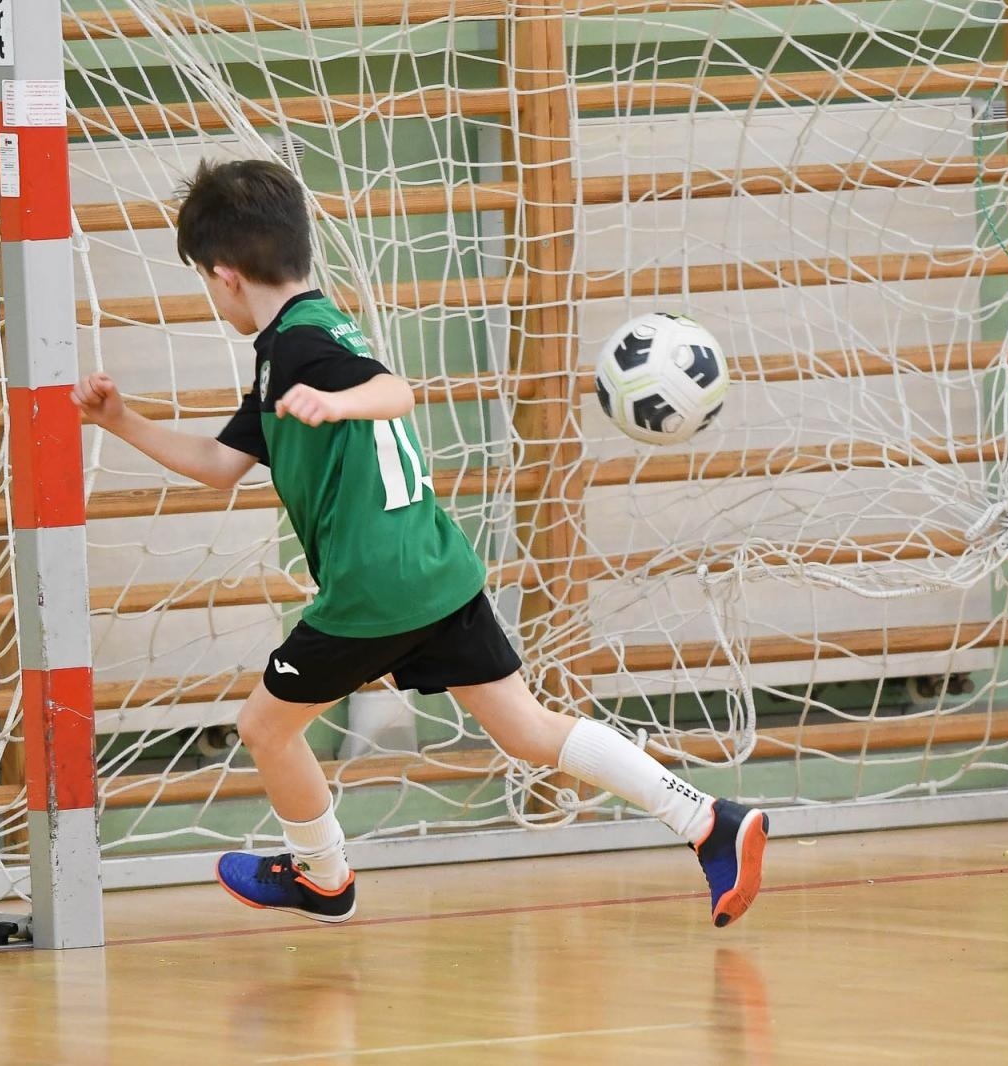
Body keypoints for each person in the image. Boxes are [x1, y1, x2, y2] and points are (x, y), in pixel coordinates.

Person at [70, 158, 769, 928]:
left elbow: (395, 390)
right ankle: (708, 821)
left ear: (225, 275)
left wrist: (339, 404)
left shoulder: (305, 351)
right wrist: (120, 421)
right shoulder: (302, 339)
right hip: (435, 566)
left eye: (206, 282)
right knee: (526, 728)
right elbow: (220, 466)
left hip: (376, 588)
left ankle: (323, 877)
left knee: (264, 729)